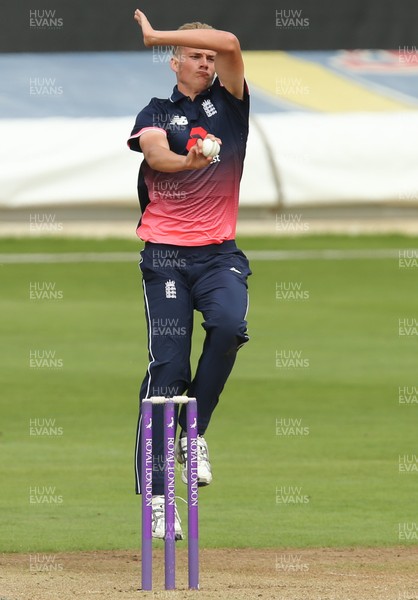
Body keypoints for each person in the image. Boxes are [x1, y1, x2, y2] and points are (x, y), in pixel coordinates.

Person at [128, 8, 251, 539]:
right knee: (169, 371)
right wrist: (190, 162)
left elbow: (229, 40)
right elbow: (156, 157)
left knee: (228, 329)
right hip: (167, 258)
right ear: (174, 62)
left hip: (219, 252)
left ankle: (191, 432)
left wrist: (156, 33)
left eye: (209, 55)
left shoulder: (231, 102)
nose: (205, 60)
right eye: (193, 55)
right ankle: (158, 500)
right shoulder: (156, 110)